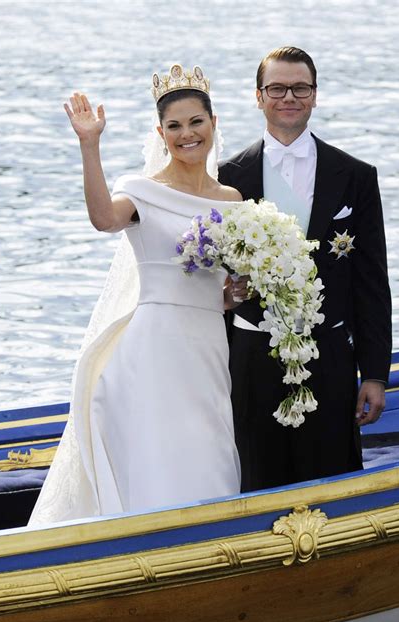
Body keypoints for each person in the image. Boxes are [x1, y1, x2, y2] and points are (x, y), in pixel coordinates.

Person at [29, 64, 248, 525]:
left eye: (196, 122)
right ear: (160, 133)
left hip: (207, 345)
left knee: (208, 451)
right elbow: (105, 219)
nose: (187, 134)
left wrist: (236, 292)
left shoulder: (232, 200)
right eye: (174, 126)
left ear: (213, 124)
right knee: (157, 454)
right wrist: (90, 145)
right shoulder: (143, 192)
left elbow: (223, 288)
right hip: (154, 348)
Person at [218, 46, 392, 492]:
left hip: (331, 353)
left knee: (333, 481)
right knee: (254, 478)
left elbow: (372, 282)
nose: (288, 96)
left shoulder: (356, 175)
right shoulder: (224, 179)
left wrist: (374, 374)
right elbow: (211, 280)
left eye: (300, 87)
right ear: (258, 97)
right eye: (277, 88)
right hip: (251, 357)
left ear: (315, 95)